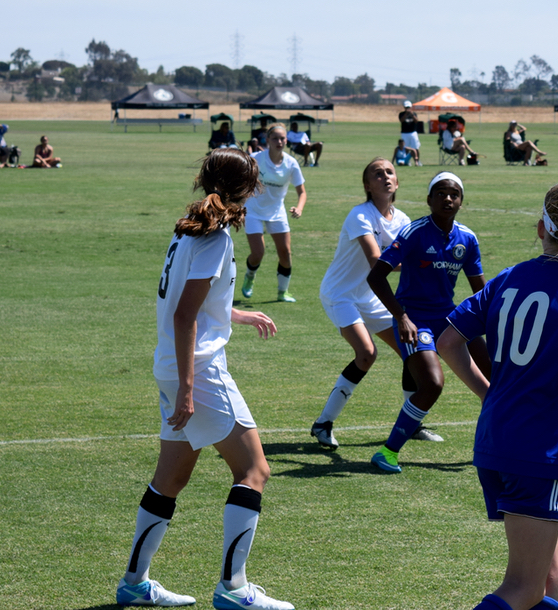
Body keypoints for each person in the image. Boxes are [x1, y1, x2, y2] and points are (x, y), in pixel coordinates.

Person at [437, 180, 558, 610]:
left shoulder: (508, 278)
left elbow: (447, 342)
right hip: (537, 449)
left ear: (539, 227)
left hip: (494, 440)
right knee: (525, 588)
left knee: (554, 577)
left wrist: (489, 394)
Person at [116, 148, 293, 610]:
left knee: (170, 478)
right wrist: (192, 390)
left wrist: (235, 313)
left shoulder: (189, 230)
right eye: (254, 185)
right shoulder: (214, 238)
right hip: (199, 372)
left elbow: (192, 302)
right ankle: (234, 589)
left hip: (172, 366)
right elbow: (184, 316)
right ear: (248, 191)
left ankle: (135, 583)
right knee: (254, 471)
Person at [310, 158, 440, 449]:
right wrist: (423, 264)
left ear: (398, 180)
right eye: (377, 174)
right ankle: (323, 423)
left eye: (390, 172)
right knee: (366, 353)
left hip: (371, 297)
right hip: (340, 293)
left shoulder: (404, 220)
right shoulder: (360, 215)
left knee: (412, 348)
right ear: (368, 185)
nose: (385, 176)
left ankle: (412, 420)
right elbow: (375, 262)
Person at [366, 171, 487, 473]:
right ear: (429, 200)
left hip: (450, 318)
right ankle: (387, 452)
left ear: (461, 201)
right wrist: (401, 317)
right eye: (441, 193)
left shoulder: (467, 238)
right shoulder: (414, 232)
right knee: (432, 384)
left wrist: (497, 324)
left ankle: (536, 438)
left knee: (500, 375)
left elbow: (481, 292)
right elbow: (376, 276)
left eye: (454, 194)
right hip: (415, 320)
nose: (448, 198)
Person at [241, 124, 306, 303]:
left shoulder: (291, 163)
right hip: (252, 210)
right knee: (258, 253)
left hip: (277, 212)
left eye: (282, 138)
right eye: (275, 138)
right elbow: (240, 182)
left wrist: (299, 208)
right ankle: (249, 276)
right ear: (267, 140)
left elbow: (302, 192)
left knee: (285, 253)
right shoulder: (255, 159)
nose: (279, 141)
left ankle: (282, 292)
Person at [398, 100, 423, 166]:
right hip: (405, 133)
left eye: (408, 107)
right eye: (406, 107)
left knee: (416, 147)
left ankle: (417, 161)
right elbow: (401, 120)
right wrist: (406, 114)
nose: (407, 109)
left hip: (413, 133)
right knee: (405, 148)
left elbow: (416, 121)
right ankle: (407, 161)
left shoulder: (414, 114)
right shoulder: (401, 114)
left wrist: (412, 114)